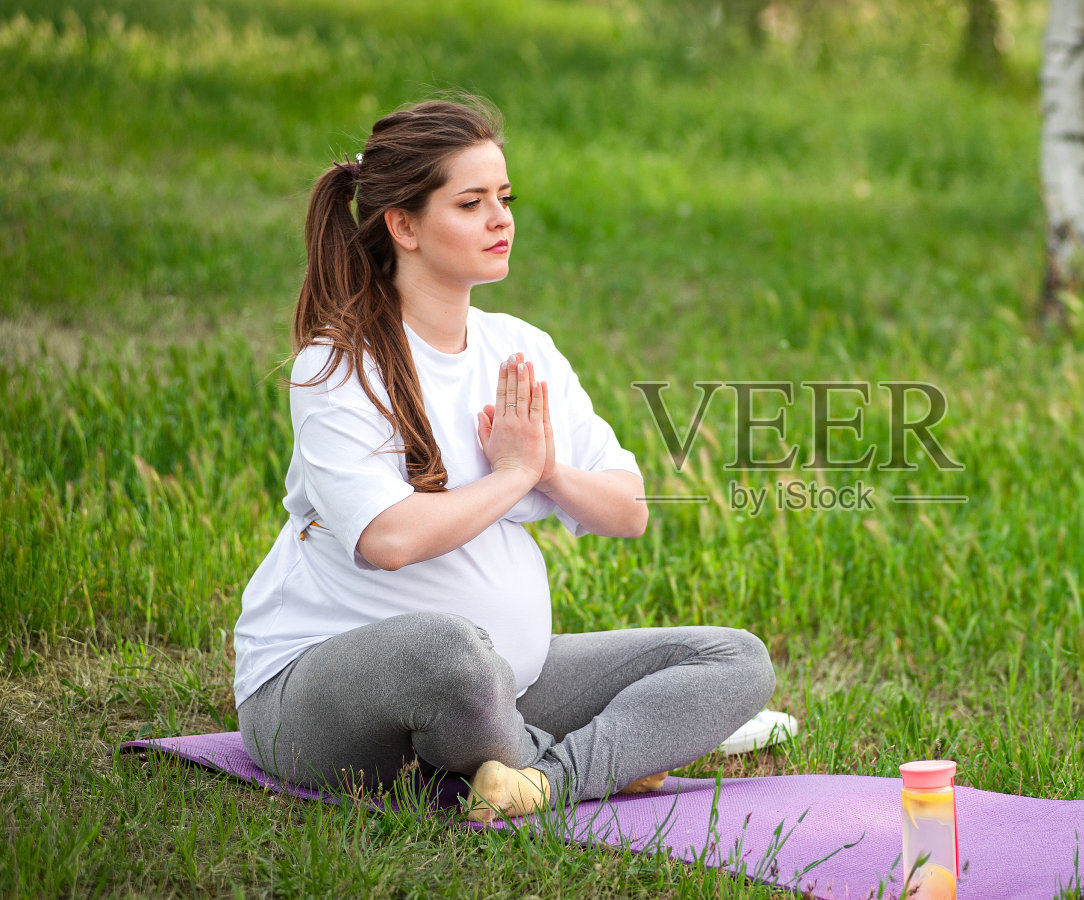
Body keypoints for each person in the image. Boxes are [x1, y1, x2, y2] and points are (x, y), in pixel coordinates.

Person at [231, 96, 776, 822]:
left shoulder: (519, 349)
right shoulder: (339, 365)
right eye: (472, 202)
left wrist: (546, 469)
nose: (501, 219)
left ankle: (542, 778)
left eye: (505, 198)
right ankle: (604, 755)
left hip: (509, 683)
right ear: (404, 225)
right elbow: (388, 539)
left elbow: (629, 511)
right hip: (319, 694)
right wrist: (514, 475)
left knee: (734, 658)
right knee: (450, 654)